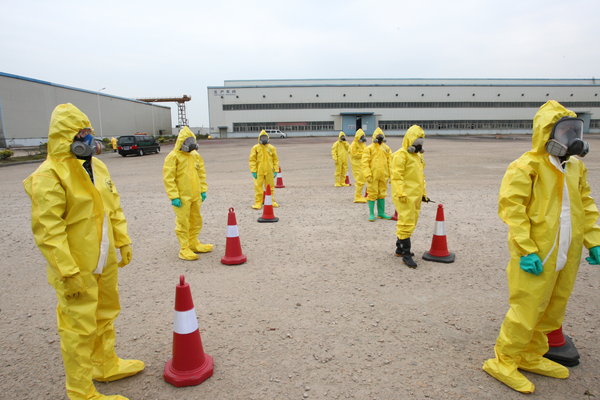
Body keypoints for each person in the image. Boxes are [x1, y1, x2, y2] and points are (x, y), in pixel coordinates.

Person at [23, 103, 144, 400]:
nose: (90, 140)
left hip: (103, 259)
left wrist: (123, 240)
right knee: (78, 329)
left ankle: (105, 365)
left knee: (105, 314)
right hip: (77, 266)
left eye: (90, 133)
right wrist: (67, 271)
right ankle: (81, 392)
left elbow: (113, 207)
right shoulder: (49, 176)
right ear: (67, 137)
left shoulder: (98, 167)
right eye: (83, 133)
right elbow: (48, 231)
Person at [482, 100, 600, 394]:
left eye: (576, 131)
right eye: (564, 132)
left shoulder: (575, 168)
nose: (572, 139)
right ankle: (504, 360)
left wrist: (594, 241)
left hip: (566, 252)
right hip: (537, 253)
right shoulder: (526, 166)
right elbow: (513, 209)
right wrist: (526, 249)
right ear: (547, 134)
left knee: (552, 309)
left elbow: (585, 204)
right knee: (526, 310)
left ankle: (532, 354)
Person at [163, 126, 213, 261]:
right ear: (181, 142)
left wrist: (203, 190)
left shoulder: (195, 155)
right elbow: (169, 178)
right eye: (187, 141)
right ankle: (184, 248)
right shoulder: (173, 157)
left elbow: (201, 173)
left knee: (196, 220)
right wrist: (174, 196)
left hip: (196, 195)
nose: (190, 144)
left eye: (192, 140)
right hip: (181, 197)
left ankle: (194, 243)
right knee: (183, 222)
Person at [391, 125, 430, 268]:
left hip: (416, 195)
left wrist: (424, 194)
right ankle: (406, 255)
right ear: (409, 140)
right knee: (406, 222)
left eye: (421, 142)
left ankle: (399, 249)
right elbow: (396, 177)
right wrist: (400, 192)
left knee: (410, 221)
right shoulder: (400, 155)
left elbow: (421, 177)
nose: (419, 145)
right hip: (405, 195)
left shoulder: (418, 156)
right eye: (416, 141)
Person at [362, 127, 392, 221]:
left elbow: (390, 161)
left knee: (382, 193)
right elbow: (365, 162)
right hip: (373, 175)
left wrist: (391, 174)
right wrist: (368, 174)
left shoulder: (386, 148)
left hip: (383, 175)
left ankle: (381, 213)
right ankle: (371, 214)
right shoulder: (369, 148)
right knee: (372, 193)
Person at [249, 129, 280, 209]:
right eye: (262, 138)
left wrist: (276, 170)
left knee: (270, 187)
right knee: (258, 187)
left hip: (270, 171)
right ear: (259, 138)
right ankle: (258, 202)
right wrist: (253, 171)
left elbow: (275, 160)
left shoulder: (272, 148)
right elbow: (252, 160)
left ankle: (271, 201)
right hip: (259, 171)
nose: (264, 139)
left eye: (265, 137)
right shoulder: (255, 148)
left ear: (268, 138)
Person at [350, 129, 368, 202]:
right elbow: (354, 155)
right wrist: (363, 154)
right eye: (361, 137)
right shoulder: (353, 145)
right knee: (359, 181)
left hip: (362, 164)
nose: (362, 138)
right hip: (356, 165)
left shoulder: (363, 144)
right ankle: (357, 196)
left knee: (363, 180)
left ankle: (360, 195)